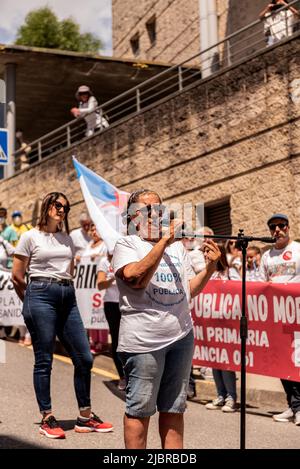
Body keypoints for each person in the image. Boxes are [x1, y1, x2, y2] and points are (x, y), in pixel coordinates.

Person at [112, 189, 221, 449]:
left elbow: (188, 290)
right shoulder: (127, 244)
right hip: (144, 341)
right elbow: (136, 278)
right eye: (147, 209)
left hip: (181, 337)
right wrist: (164, 241)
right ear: (132, 216)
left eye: (158, 209)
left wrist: (210, 268)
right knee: (140, 409)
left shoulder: (177, 250)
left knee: (174, 408)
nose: (155, 214)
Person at [12, 192, 113, 439]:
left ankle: (85, 417)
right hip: (40, 294)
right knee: (44, 359)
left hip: (67, 296)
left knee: (84, 357)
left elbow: (69, 271)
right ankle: (47, 417)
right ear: (46, 206)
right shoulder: (29, 237)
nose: (62, 210)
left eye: (66, 208)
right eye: (58, 205)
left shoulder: (68, 240)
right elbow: (17, 275)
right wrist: (31, 301)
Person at [260, 213, 300, 426]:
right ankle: (293, 405)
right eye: (273, 227)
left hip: (297, 316)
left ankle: (299, 406)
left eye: (281, 225)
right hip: (276, 318)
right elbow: (261, 284)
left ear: (288, 227)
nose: (277, 230)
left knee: (298, 362)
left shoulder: (298, 250)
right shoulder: (267, 256)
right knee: (282, 363)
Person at [205, 244, 238, 413]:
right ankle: (221, 395)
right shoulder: (208, 273)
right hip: (212, 325)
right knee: (215, 361)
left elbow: (240, 293)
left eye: (208, 251)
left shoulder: (230, 273)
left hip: (228, 326)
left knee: (226, 362)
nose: (206, 255)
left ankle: (231, 397)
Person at [97, 252, 126, 390]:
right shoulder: (103, 262)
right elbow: (100, 285)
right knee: (117, 340)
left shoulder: (126, 256)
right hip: (111, 304)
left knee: (129, 339)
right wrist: (113, 278)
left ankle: (132, 375)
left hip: (127, 302)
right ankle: (122, 376)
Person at [81, 223, 108, 354]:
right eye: (92, 230)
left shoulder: (104, 245)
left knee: (99, 312)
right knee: (90, 311)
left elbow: (107, 259)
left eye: (96, 229)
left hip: (99, 284)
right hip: (88, 286)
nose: (94, 232)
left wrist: (98, 258)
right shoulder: (88, 245)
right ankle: (93, 340)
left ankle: (102, 342)